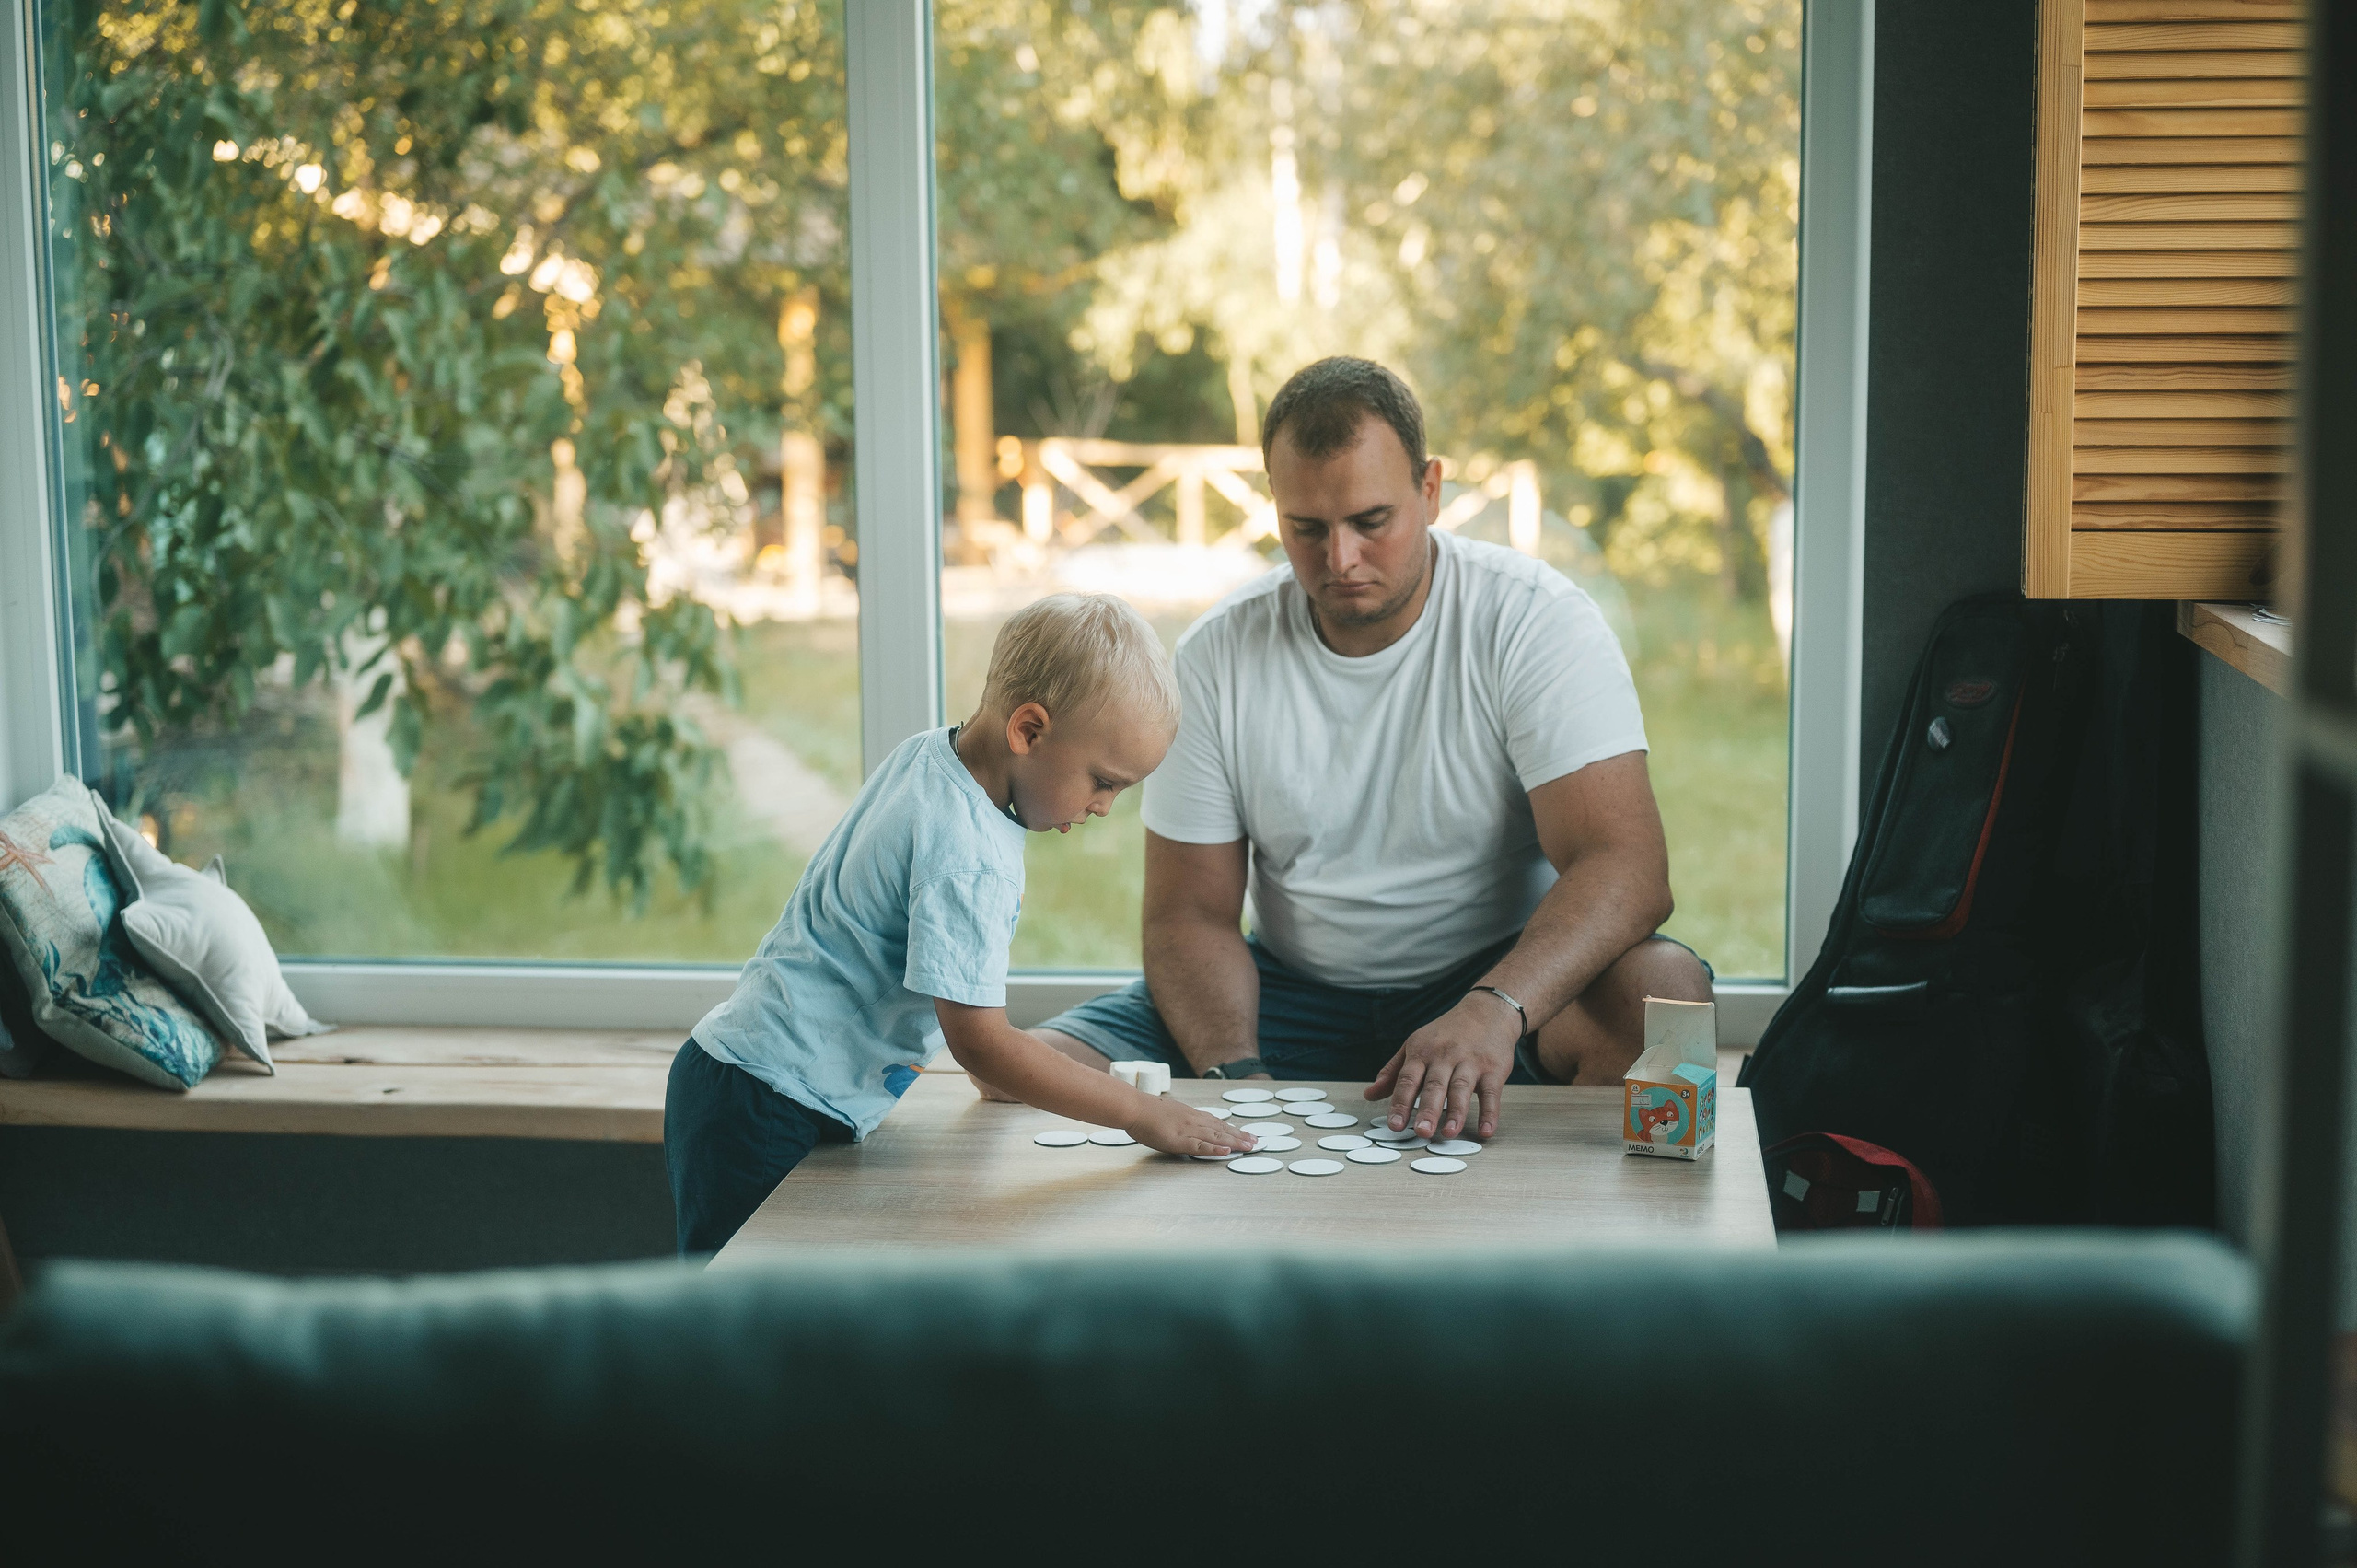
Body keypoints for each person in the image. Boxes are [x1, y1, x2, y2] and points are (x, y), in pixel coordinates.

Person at [1029, 357, 1713, 1148]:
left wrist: (1494, 1009)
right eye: (1307, 529)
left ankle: (1554, 1232)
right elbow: (1191, 912)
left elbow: (1628, 866)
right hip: (1287, 990)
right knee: (1030, 1069)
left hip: (1497, 979)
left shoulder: (1537, 622)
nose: (1340, 560)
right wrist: (1237, 1078)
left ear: (1430, 490)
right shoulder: (1218, 652)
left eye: (1371, 521)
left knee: (1665, 990)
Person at [664, 594, 1254, 1254]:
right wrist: (1144, 1114)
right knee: (731, 1333)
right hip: (768, 1103)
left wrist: (1000, 1073)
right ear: (1028, 731)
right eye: (1103, 781)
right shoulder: (969, 853)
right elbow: (980, 1041)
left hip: (748, 1081)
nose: (1104, 807)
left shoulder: (930, 757)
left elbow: (967, 1017)